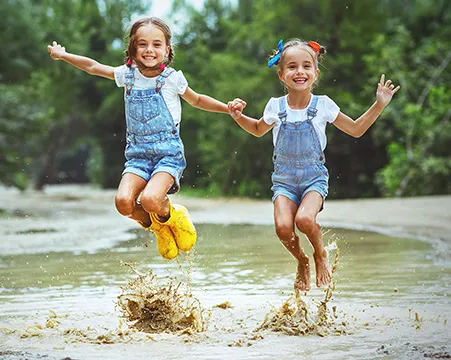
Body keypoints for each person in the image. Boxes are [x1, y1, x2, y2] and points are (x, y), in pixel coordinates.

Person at [47, 17, 231, 260]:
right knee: (123, 202)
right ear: (133, 49)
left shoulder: (172, 79)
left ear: (167, 50)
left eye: (157, 44)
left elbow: (197, 100)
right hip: (137, 157)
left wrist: (228, 108)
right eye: (142, 44)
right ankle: (158, 227)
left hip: (168, 155)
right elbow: (93, 67)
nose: (149, 50)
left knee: (151, 199)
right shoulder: (127, 76)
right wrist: (64, 55)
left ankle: (173, 215)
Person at [228, 39, 400, 292]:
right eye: (292, 67)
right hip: (284, 180)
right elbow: (256, 129)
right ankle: (302, 260)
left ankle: (320, 254)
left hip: (313, 179)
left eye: (306, 66)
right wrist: (238, 116)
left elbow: (356, 129)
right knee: (283, 227)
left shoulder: (323, 105)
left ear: (316, 73)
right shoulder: (275, 106)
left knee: (305, 220)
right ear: (281, 74)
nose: (300, 71)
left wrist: (379, 104)